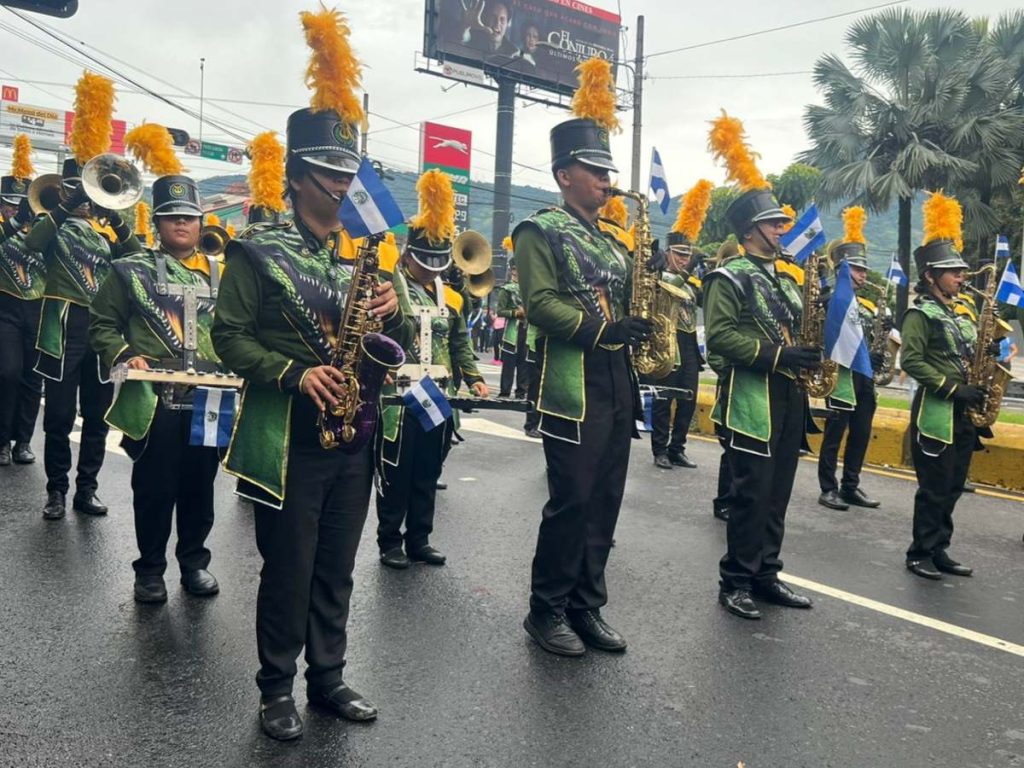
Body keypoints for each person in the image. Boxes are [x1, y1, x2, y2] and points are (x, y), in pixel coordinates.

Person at [212, 7, 414, 741]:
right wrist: (295, 374)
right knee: (289, 568)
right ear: (298, 177)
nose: (344, 187)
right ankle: (276, 689)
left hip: (353, 431)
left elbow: (398, 340)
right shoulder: (255, 251)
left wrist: (395, 309)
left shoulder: (362, 258)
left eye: (350, 173)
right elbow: (225, 336)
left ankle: (327, 678)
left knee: (336, 566)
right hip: (290, 429)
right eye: (331, 174)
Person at [513, 58, 651, 657]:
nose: (605, 180)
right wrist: (605, 329)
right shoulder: (537, 230)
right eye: (594, 171)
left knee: (607, 495)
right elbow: (540, 304)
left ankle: (586, 605)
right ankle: (545, 610)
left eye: (607, 171)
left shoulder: (612, 240)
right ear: (564, 174)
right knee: (571, 496)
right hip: (572, 373)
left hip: (616, 374)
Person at [89, 164, 222, 604]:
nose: (181, 223)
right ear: (158, 221)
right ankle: (149, 570)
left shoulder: (222, 274)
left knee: (200, 486)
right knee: (154, 487)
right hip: (152, 396)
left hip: (209, 397)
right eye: (171, 216)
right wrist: (125, 355)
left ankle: (194, 563)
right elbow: (102, 325)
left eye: (188, 215)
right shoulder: (129, 269)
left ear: (200, 221)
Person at [704, 112, 817, 620]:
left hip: (789, 395)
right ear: (752, 231)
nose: (782, 229)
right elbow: (722, 340)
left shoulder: (788, 278)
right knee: (750, 494)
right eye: (775, 224)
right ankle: (736, 581)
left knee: (779, 493)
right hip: (752, 396)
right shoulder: (729, 277)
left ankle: (767, 573)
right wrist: (777, 355)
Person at [376, 169, 489, 569]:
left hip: (438, 395)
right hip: (400, 396)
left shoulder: (453, 297)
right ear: (407, 256)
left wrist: (474, 378)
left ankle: (419, 538)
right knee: (396, 471)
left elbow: (460, 344)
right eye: (424, 262)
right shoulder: (391, 286)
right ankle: (389, 540)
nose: (432, 270)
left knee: (428, 470)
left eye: (439, 264)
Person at [26, 151, 139, 520]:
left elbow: (138, 259)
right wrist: (64, 208)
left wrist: (116, 220)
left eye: (84, 193)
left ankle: (86, 489)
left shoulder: (105, 236)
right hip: (63, 327)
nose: (82, 199)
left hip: (101, 329)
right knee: (59, 414)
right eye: (75, 190)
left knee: (97, 414)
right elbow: (31, 244)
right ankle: (56, 489)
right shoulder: (51, 226)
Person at [900, 193, 995, 580]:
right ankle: (919, 551)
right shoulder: (920, 312)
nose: (960, 277)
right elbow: (912, 361)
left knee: (954, 485)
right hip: (937, 410)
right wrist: (955, 390)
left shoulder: (963, 313)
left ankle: (940, 548)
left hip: (964, 413)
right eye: (953, 272)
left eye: (960, 271)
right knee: (934, 487)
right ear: (931, 276)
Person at [817, 208, 882, 511]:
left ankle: (851, 485)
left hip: (864, 376)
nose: (863, 275)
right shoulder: (831, 298)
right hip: (840, 375)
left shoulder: (866, 305)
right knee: (834, 435)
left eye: (864, 270)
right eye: (857, 269)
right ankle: (828, 487)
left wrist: (877, 355)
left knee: (861, 433)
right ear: (843, 268)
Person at [650, 179, 713, 470]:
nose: (684, 260)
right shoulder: (660, 277)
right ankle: (660, 449)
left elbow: (703, 302)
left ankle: (678, 448)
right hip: (667, 341)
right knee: (664, 399)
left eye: (687, 255)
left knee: (687, 399)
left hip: (688, 343)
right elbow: (671, 287)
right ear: (668, 254)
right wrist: (688, 273)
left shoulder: (691, 282)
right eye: (680, 255)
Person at [0, 136, 44, 468]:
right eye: (9, 204)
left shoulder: (42, 229)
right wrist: (15, 222)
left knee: (32, 378)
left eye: (20, 205)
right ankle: (1, 440)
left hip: (38, 309)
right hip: (6, 309)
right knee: (7, 373)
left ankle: (23, 441)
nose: (15, 209)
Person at [496, 260, 531, 399]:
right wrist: (515, 313)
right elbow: (500, 311)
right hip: (512, 330)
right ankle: (505, 391)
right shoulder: (506, 289)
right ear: (511, 270)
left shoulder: (530, 288)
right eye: (514, 269)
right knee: (509, 363)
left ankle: (521, 391)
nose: (516, 272)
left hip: (527, 330)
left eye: (519, 269)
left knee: (524, 363)